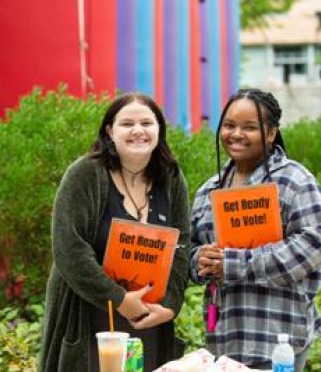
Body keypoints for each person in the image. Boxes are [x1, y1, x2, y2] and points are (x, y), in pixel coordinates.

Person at [39, 92, 190, 372]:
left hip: (149, 319)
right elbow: (69, 249)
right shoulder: (84, 174)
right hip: (91, 319)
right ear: (110, 130)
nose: (138, 130)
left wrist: (170, 304)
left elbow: (182, 244)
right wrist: (118, 300)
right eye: (127, 123)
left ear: (159, 129)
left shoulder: (170, 176)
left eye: (147, 122)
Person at [189, 88, 321, 371]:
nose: (236, 134)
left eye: (249, 127)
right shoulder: (209, 190)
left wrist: (234, 264)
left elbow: (313, 246)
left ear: (271, 133)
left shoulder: (294, 180)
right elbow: (189, 250)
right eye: (229, 125)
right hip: (225, 337)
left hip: (278, 338)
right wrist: (199, 261)